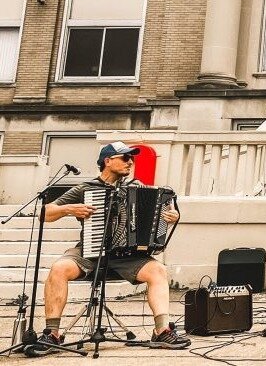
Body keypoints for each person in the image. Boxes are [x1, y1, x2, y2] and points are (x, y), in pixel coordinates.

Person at [26, 141, 190, 356]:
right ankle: (52, 333)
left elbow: (157, 218)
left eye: (132, 158)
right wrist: (68, 209)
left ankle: (162, 331)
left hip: (127, 256)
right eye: (125, 158)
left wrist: (172, 217)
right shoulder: (85, 189)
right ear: (108, 161)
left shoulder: (136, 188)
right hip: (89, 251)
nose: (130, 162)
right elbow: (44, 213)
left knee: (158, 270)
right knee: (59, 268)